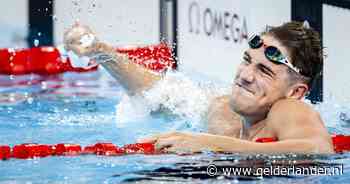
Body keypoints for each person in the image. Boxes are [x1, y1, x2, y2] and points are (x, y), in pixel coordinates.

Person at [64, 21, 334, 154]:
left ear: (296, 92)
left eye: (264, 71)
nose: (245, 76)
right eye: (247, 61)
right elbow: (156, 92)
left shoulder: (288, 110)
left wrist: (206, 142)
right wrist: (99, 51)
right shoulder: (222, 110)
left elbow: (319, 148)